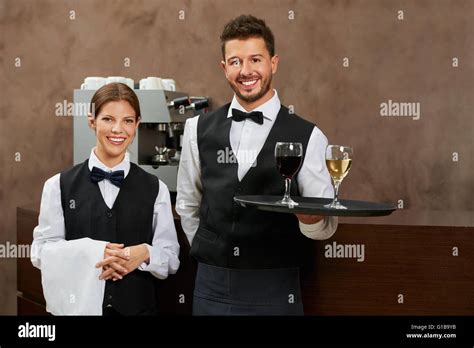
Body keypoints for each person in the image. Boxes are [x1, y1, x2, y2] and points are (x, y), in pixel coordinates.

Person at [176, 15, 338, 316]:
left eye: (256, 59)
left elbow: (325, 226)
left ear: (273, 63)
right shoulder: (196, 128)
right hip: (210, 287)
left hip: (276, 288)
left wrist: (308, 217)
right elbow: (187, 204)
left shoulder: (309, 136)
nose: (246, 71)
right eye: (235, 61)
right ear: (225, 68)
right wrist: (210, 250)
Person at [31, 83, 180, 315]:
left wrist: (145, 253)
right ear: (92, 121)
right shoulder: (57, 186)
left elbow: (170, 259)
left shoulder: (155, 188)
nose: (118, 129)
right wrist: (92, 251)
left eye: (128, 121)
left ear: (137, 124)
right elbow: (40, 253)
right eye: (108, 119)